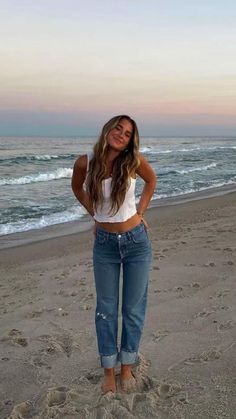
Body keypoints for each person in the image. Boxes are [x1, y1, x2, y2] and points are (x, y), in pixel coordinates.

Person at [71, 115, 157, 393]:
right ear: (108, 129)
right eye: (118, 128)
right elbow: (76, 188)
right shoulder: (86, 162)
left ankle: (127, 367)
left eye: (128, 132)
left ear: (132, 139)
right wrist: (96, 216)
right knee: (106, 311)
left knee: (132, 309)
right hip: (105, 245)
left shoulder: (133, 161)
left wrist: (141, 212)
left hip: (137, 242)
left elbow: (151, 181)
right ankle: (109, 370)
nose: (121, 134)